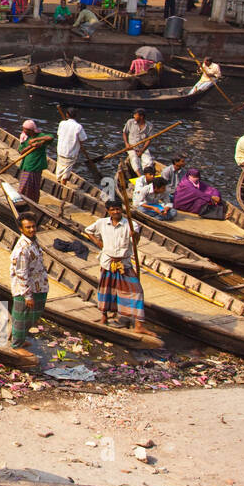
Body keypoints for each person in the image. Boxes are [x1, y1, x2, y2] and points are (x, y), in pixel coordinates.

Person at [82, 200, 146, 332]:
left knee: (137, 292)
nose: (116, 212)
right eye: (113, 210)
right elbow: (88, 230)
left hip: (124, 263)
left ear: (122, 210)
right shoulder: (102, 223)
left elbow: (135, 242)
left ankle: (139, 326)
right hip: (108, 262)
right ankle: (104, 317)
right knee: (106, 290)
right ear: (108, 211)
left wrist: (135, 236)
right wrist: (99, 243)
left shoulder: (131, 225)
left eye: (118, 209)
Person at [8, 212, 48, 350]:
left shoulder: (33, 242)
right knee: (21, 317)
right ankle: (17, 346)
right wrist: (27, 296)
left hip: (39, 286)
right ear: (21, 229)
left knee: (33, 315)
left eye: (33, 226)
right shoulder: (22, 249)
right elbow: (21, 273)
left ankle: (21, 339)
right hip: (26, 289)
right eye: (28, 227)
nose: (32, 229)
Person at [16, 120, 53, 203]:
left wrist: (37, 140)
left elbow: (50, 137)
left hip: (36, 165)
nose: (23, 131)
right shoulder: (26, 138)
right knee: (23, 186)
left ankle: (32, 202)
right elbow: (21, 151)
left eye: (24, 129)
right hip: (27, 165)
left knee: (34, 187)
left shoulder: (41, 136)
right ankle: (21, 201)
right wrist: (31, 146)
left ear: (30, 130)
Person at [55, 107, 87, 182]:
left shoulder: (62, 123)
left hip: (61, 150)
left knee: (60, 167)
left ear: (67, 115)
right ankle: (63, 183)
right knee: (66, 171)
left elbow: (59, 134)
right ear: (76, 116)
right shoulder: (78, 127)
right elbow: (83, 139)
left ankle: (59, 180)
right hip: (70, 152)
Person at [122, 109, 155, 176]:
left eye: (135, 115)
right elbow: (124, 133)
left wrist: (142, 151)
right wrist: (126, 144)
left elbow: (149, 139)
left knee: (149, 162)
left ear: (141, 116)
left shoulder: (149, 126)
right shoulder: (130, 122)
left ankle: (148, 175)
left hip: (143, 148)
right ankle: (140, 176)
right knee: (134, 160)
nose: (134, 116)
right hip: (131, 147)